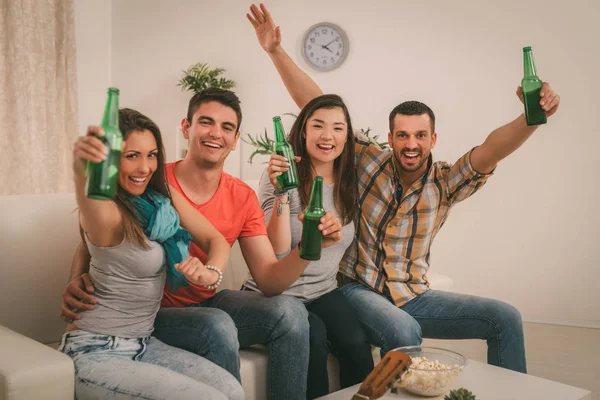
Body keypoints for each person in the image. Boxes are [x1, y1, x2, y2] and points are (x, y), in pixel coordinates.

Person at [248, 2, 561, 373]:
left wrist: (530, 118)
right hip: (358, 289)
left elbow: (491, 150)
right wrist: (275, 50)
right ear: (390, 138)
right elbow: (319, 106)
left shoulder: (446, 182)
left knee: (504, 317)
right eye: (402, 135)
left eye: (419, 135)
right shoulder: (368, 160)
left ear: (433, 139)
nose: (410, 144)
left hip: (414, 294)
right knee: (402, 328)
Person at [61, 89, 343, 400]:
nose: (215, 134)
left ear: (236, 139)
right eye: (206, 122)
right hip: (155, 316)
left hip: (193, 308)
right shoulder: (151, 183)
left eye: (226, 127)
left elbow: (267, 278)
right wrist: (76, 278)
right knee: (216, 324)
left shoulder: (172, 195)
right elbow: (96, 231)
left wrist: (307, 249)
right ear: (186, 128)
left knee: (290, 313)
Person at [64, 107, 243, 399]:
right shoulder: (107, 214)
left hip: (145, 343)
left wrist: (211, 271)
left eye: (152, 154)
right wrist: (80, 169)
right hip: (96, 350)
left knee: (231, 392)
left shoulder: (161, 203)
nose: (145, 167)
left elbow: (216, 239)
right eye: (131, 156)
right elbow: (88, 198)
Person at [243, 94, 374, 398]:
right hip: (277, 296)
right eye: (318, 125)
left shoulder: (350, 181)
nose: (327, 136)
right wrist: (282, 194)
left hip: (323, 292)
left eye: (338, 128)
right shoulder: (278, 175)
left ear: (347, 136)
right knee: (312, 339)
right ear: (303, 131)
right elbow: (274, 251)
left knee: (356, 343)